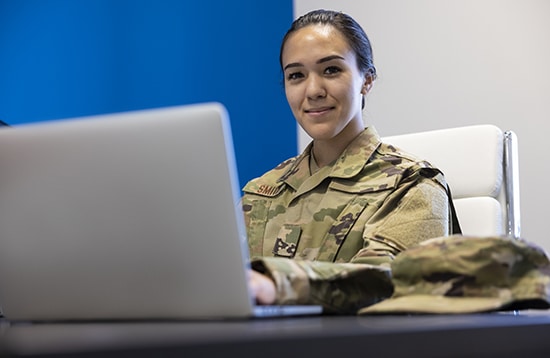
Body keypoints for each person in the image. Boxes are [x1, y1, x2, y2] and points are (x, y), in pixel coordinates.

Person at [242, 9, 460, 314]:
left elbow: (390, 281)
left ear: (366, 80)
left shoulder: (413, 185)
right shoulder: (261, 191)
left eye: (331, 70)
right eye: (296, 76)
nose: (314, 90)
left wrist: (278, 285)